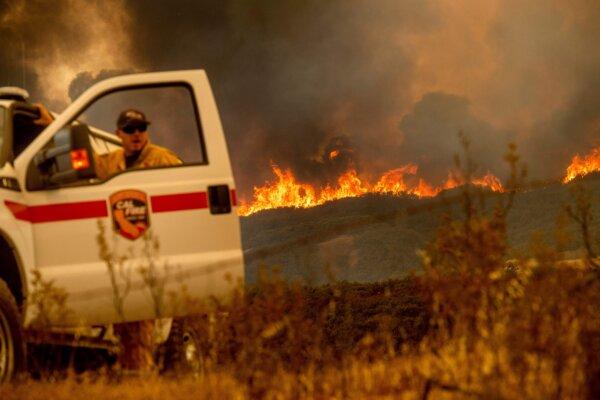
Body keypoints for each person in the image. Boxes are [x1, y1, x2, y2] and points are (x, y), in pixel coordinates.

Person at [34, 105, 181, 372]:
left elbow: (186, 186)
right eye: (129, 129)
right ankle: (135, 377)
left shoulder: (164, 159)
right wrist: (52, 125)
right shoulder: (112, 162)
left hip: (149, 253)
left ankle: (141, 378)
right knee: (126, 328)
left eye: (141, 128)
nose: (136, 134)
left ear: (147, 131)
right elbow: (83, 158)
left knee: (140, 322)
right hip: (122, 254)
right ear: (119, 133)